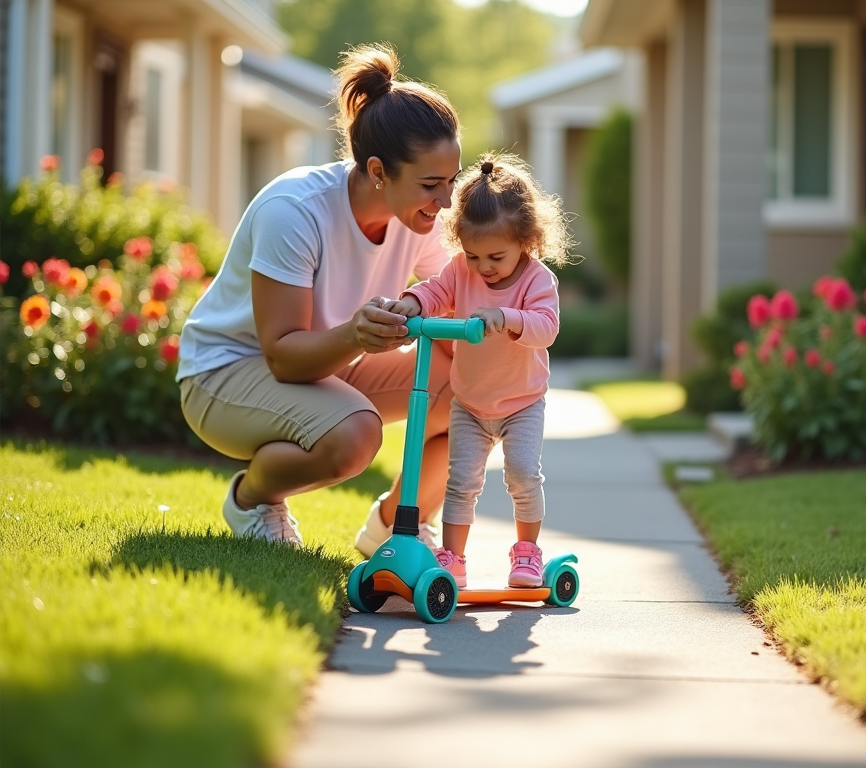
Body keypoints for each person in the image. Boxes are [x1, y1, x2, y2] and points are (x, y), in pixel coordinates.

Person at [176, 43, 461, 553]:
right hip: (226, 373)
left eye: (452, 182)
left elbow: (455, 300)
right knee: (356, 435)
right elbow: (283, 357)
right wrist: (356, 334)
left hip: (330, 365)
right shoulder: (296, 210)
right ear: (379, 172)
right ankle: (252, 499)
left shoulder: (418, 218)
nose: (444, 202)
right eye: (431, 185)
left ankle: (397, 529)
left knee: (476, 397)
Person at [389, 153, 573, 588]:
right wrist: (415, 302)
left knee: (523, 475)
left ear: (526, 241)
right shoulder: (461, 271)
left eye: (495, 256)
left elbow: (546, 329)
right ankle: (454, 558)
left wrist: (508, 318)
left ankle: (527, 553)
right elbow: (437, 290)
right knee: (461, 482)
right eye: (472, 256)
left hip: (521, 402)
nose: (483, 267)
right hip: (470, 403)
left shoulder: (538, 280)